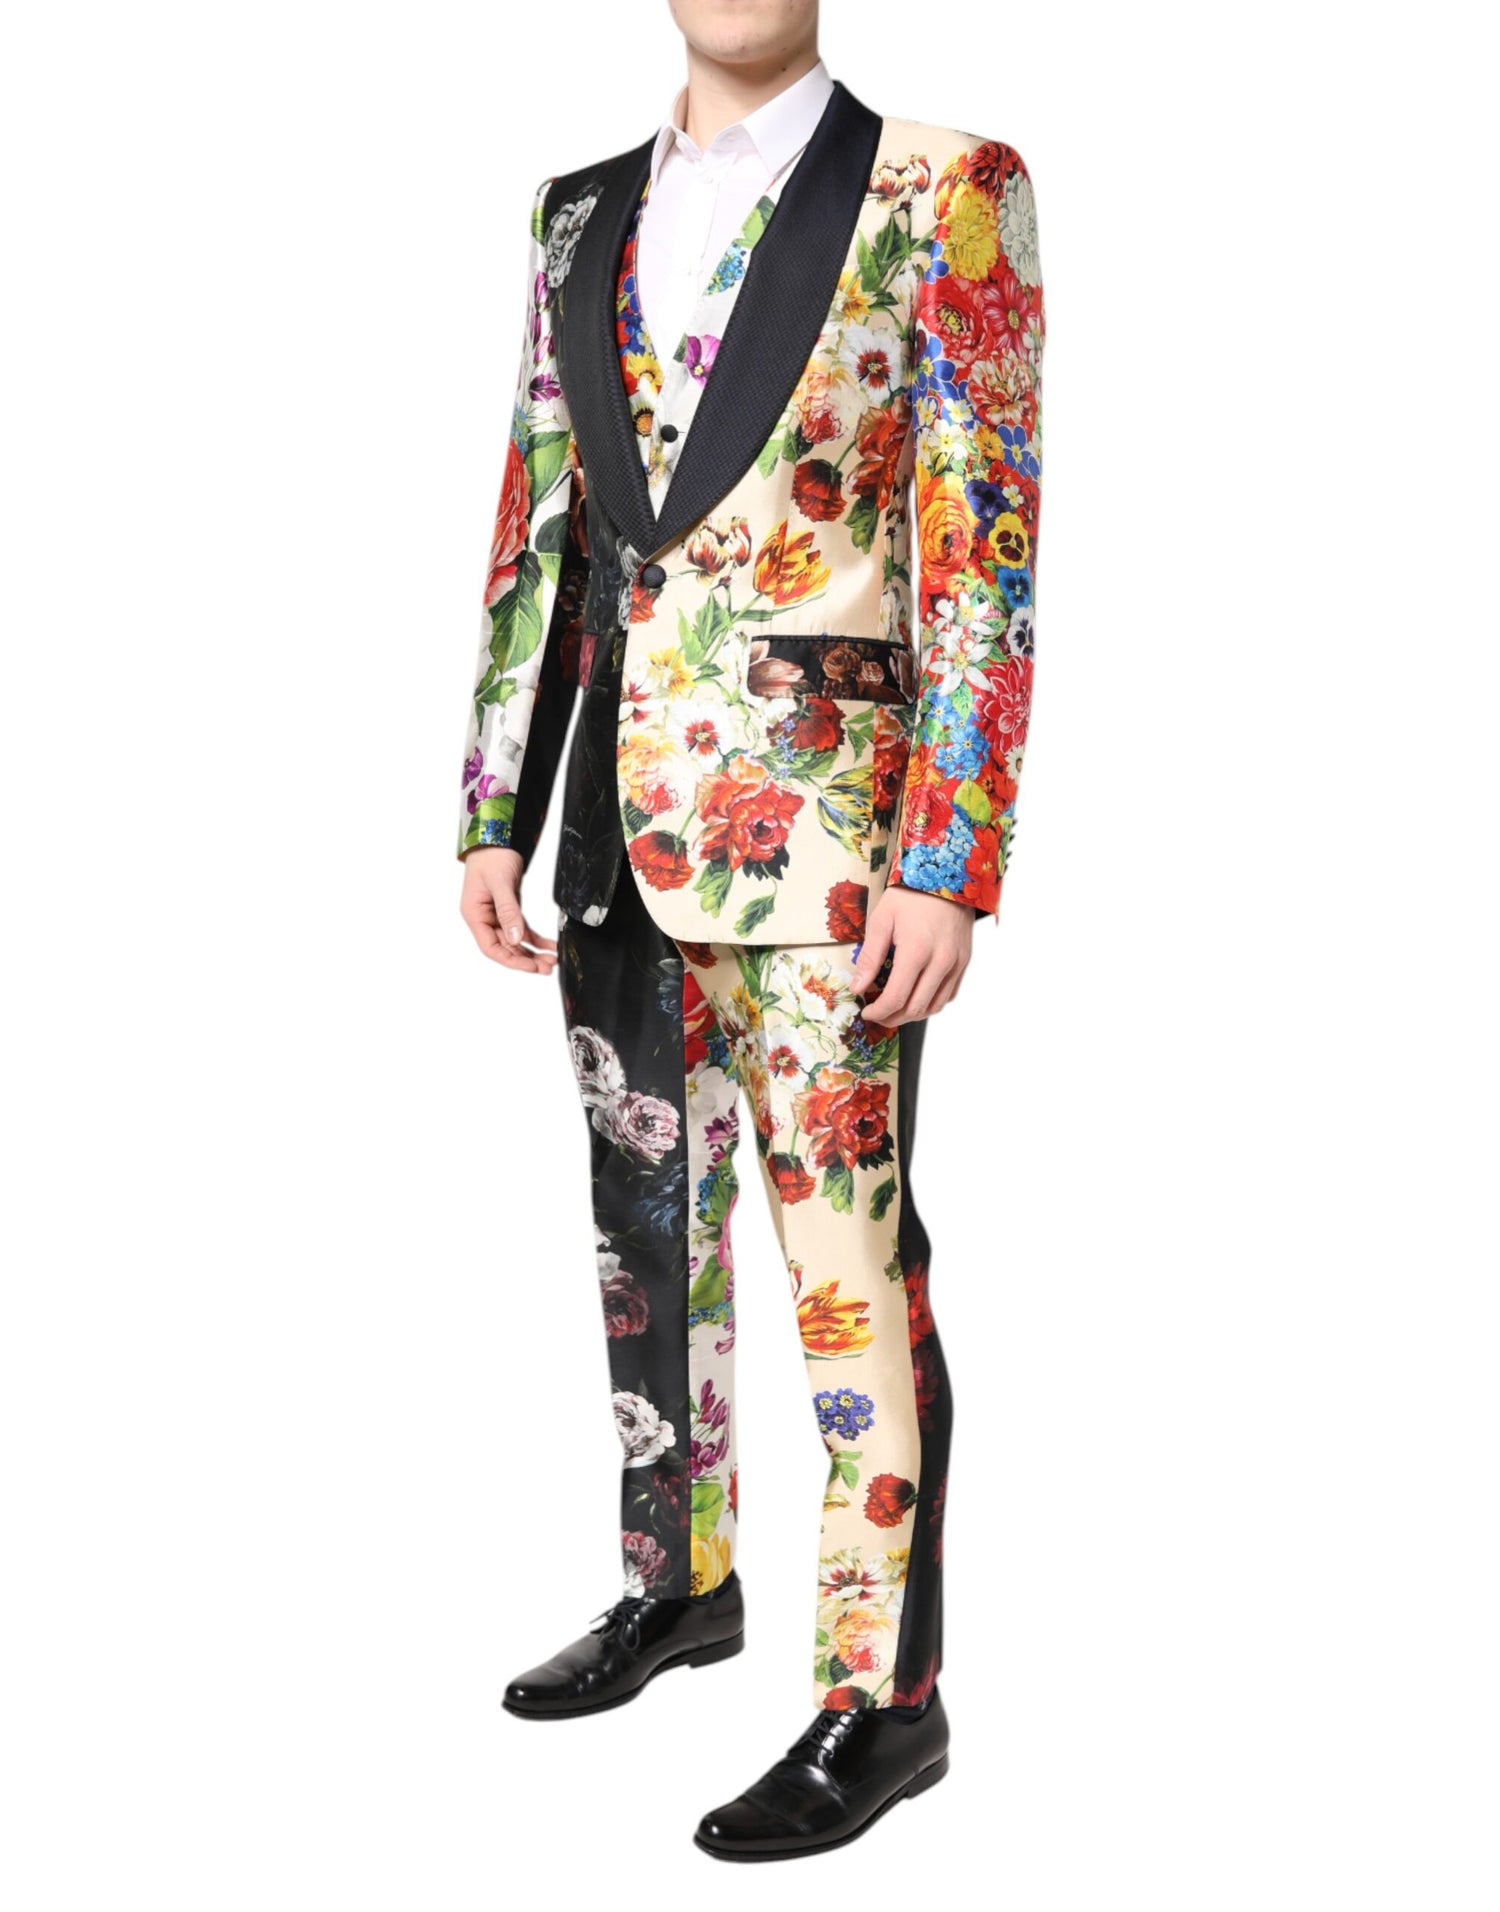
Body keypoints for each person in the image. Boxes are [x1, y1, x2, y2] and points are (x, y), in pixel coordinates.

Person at [456, 0, 1043, 1861]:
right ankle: (678, 1583)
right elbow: (542, 520)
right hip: (611, 830)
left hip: (833, 846)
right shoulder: (574, 212)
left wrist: (950, 854)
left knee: (846, 1265)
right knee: (647, 1237)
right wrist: (493, 805)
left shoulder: (945, 189)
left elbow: (986, 544)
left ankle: (887, 1699)